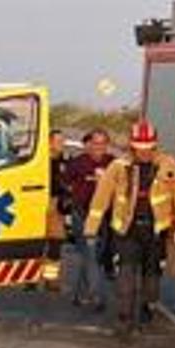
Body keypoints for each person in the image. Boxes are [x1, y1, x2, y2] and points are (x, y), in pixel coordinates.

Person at [85, 120, 175, 337]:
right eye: (139, 149)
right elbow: (101, 198)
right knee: (125, 276)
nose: (144, 153)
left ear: (155, 146)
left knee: (152, 278)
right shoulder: (118, 167)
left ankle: (147, 307)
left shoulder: (169, 166)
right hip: (126, 230)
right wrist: (91, 228)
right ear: (132, 147)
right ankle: (124, 319)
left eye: (148, 149)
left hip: (155, 231)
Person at [63, 129, 114, 310]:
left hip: (104, 217)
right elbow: (66, 183)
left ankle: (78, 294)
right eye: (96, 144)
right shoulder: (77, 163)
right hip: (82, 215)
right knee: (90, 253)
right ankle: (96, 296)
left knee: (93, 257)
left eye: (103, 144)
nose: (99, 148)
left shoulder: (113, 163)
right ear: (89, 144)